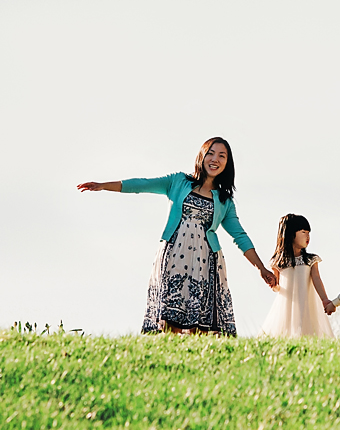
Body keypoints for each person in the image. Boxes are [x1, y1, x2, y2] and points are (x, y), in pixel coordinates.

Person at [78, 137, 276, 336]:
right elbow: (142, 184)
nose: (215, 159)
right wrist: (104, 185)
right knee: (170, 314)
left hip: (205, 262)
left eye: (221, 156)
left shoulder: (224, 200)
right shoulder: (178, 181)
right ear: (202, 156)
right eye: (211, 153)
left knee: (199, 322)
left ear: (227, 163)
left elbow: (240, 236)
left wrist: (261, 268)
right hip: (174, 254)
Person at [259, 214, 334, 338]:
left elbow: (316, 279)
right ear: (290, 234)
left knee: (308, 331)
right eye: (303, 232)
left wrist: (324, 299)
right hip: (287, 304)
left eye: (309, 232)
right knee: (285, 332)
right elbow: (277, 288)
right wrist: (273, 284)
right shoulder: (278, 262)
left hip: (307, 302)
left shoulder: (311, 260)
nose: (308, 236)